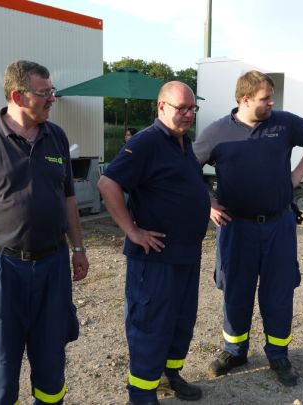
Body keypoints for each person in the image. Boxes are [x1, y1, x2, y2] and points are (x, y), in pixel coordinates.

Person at [0, 60, 89, 405]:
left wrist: (78, 248)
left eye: (52, 91)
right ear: (18, 96)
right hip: (3, 269)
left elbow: (69, 198)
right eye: (45, 93)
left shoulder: (56, 137)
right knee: (0, 362)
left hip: (53, 265)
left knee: (51, 361)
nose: (52, 98)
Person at [193, 70, 303, 386]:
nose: (272, 103)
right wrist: (208, 203)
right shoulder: (217, 132)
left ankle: (278, 355)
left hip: (279, 225)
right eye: (266, 98)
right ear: (245, 99)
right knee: (236, 291)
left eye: (272, 98)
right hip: (236, 227)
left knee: (279, 293)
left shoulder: (283, 123)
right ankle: (234, 351)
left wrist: (297, 175)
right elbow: (187, 167)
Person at [97, 81, 210, 405]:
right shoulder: (147, 142)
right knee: (150, 326)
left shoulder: (183, 143)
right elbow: (107, 183)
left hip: (186, 255)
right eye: (181, 108)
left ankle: (170, 374)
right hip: (155, 258)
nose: (188, 114)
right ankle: (142, 393)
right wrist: (132, 230)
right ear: (161, 107)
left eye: (192, 108)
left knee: (181, 321)